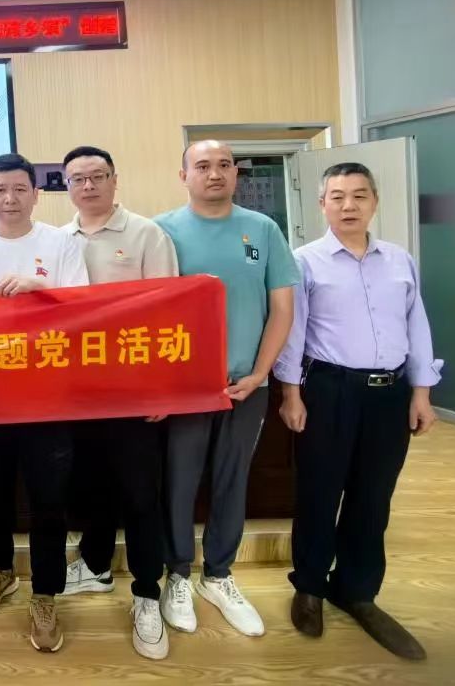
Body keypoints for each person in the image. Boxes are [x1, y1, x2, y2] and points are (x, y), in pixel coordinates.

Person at [275, 162, 440, 660]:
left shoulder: (400, 260)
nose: (349, 206)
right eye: (338, 196)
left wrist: (421, 392)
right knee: (319, 491)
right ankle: (309, 586)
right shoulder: (303, 261)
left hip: (390, 393)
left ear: (374, 202)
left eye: (359, 196)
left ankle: (357, 590)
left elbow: (416, 326)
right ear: (322, 204)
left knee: (374, 495)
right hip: (329, 389)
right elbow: (293, 331)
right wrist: (290, 393)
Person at [154, 140, 298, 638]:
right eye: (202, 166)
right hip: (186, 388)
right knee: (179, 481)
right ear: (184, 175)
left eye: (223, 165)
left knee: (233, 479)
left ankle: (217, 574)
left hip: (246, 384)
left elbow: (281, 308)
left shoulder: (263, 229)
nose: (214, 174)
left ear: (236, 173)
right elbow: (150, 312)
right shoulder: (161, 231)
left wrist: (259, 374)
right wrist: (164, 385)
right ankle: (177, 574)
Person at [0, 153, 88, 653]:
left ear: (35, 194)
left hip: (48, 395)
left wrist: (39, 287)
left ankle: (46, 593)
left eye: (19, 189)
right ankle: (2, 569)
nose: (9, 199)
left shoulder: (61, 243)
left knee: (48, 500)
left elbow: (84, 305)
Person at [56, 145, 178, 660]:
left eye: (97, 176)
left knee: (140, 495)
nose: (88, 186)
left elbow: (168, 312)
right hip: (77, 393)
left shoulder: (147, 234)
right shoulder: (57, 240)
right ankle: (96, 566)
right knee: (90, 486)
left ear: (114, 179)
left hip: (133, 390)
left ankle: (147, 595)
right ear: (66, 186)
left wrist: (163, 386)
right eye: (77, 179)